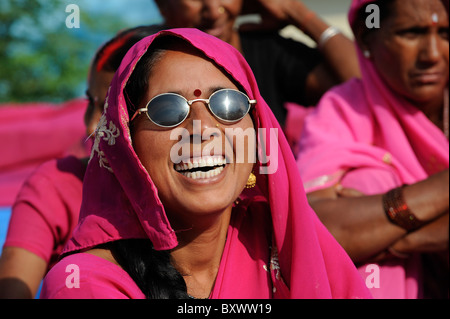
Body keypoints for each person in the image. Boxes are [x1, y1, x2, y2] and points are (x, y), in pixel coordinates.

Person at [40, 28, 371, 299]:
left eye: (227, 105)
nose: (203, 129)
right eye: (168, 110)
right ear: (128, 144)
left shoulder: (290, 245)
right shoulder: (86, 285)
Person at [296, 0, 449, 299]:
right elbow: (316, 230)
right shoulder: (344, 110)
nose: (432, 54)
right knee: (368, 180)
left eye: (446, 33)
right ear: (368, 38)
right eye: (411, 33)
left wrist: (392, 236)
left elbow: (352, 232)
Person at [0, 26, 159, 299]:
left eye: (111, 105)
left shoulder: (204, 192)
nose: (91, 124)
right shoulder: (56, 184)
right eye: (90, 102)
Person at [153, 0, 361, 129]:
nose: (214, 11)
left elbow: (361, 87)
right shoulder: (143, 60)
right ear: (162, 5)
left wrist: (296, 12)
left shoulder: (267, 50)